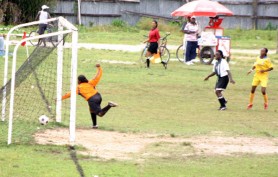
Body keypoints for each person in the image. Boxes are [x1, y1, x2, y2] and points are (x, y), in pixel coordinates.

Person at [61, 64, 118, 129]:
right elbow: (98, 76)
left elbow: (69, 94)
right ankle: (94, 125)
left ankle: (109, 105)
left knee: (100, 114)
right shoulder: (91, 82)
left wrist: (60, 98)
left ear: (79, 81)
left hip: (92, 99)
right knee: (91, 109)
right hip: (98, 96)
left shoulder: (79, 88)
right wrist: (99, 68)